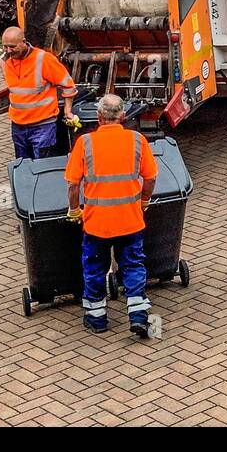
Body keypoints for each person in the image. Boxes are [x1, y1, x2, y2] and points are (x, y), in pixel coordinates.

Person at [64, 93, 158, 338]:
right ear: (124, 117)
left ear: (98, 117)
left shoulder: (84, 143)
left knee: (95, 268)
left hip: (97, 224)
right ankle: (138, 316)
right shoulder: (137, 140)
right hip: (130, 219)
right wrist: (144, 201)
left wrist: (75, 210)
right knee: (133, 266)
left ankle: (97, 320)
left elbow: (73, 185)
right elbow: (150, 178)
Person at [1, 26, 77, 159]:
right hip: (18, 126)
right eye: (5, 46)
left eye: (12, 46)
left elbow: (68, 85)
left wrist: (67, 111)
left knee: (42, 166)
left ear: (23, 42)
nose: (8, 51)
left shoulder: (44, 60)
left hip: (43, 126)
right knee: (23, 167)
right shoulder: (6, 61)